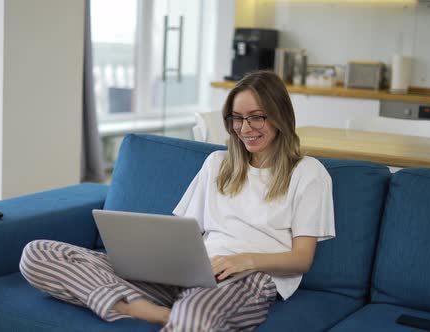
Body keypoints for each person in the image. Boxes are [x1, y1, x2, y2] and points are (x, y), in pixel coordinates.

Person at [19, 70, 335, 331]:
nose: (245, 129)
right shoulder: (217, 164)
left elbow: (301, 258)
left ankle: (158, 310)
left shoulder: (308, 173)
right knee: (38, 254)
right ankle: (156, 313)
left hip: (246, 280)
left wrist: (244, 260)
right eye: (236, 118)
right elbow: (184, 231)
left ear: (280, 116)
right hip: (189, 271)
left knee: (194, 319)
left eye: (256, 118)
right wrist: (151, 258)